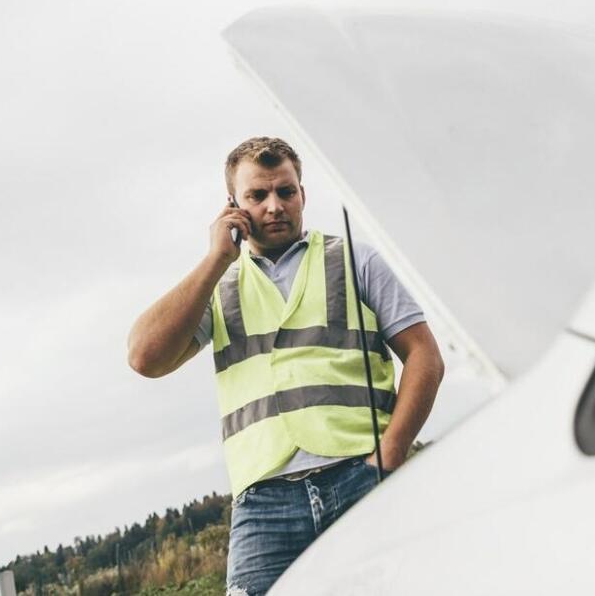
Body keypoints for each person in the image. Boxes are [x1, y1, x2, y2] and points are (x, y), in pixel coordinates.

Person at [127, 136, 444, 595]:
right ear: (233, 206)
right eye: (258, 195)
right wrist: (216, 258)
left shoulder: (353, 257)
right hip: (264, 501)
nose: (274, 206)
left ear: (303, 195)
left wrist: (391, 452)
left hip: (360, 473)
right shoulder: (216, 285)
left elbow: (425, 356)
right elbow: (144, 358)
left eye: (286, 191)